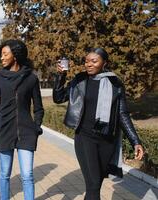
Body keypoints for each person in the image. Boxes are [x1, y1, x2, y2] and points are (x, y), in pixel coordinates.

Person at [52, 48, 144, 200]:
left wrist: (135, 141)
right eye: (87, 61)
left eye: (94, 61)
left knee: (94, 185)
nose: (89, 64)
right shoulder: (80, 80)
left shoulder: (115, 83)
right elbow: (58, 98)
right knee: (94, 185)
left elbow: (122, 114)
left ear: (104, 63)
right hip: (85, 138)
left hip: (107, 141)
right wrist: (60, 76)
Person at [0, 39, 44, 200]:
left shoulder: (31, 78)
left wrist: (36, 127)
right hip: (4, 131)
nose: (1, 58)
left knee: (28, 175)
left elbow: (38, 107)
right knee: (4, 174)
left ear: (15, 56)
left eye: (5, 54)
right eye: (1, 54)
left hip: (26, 133)